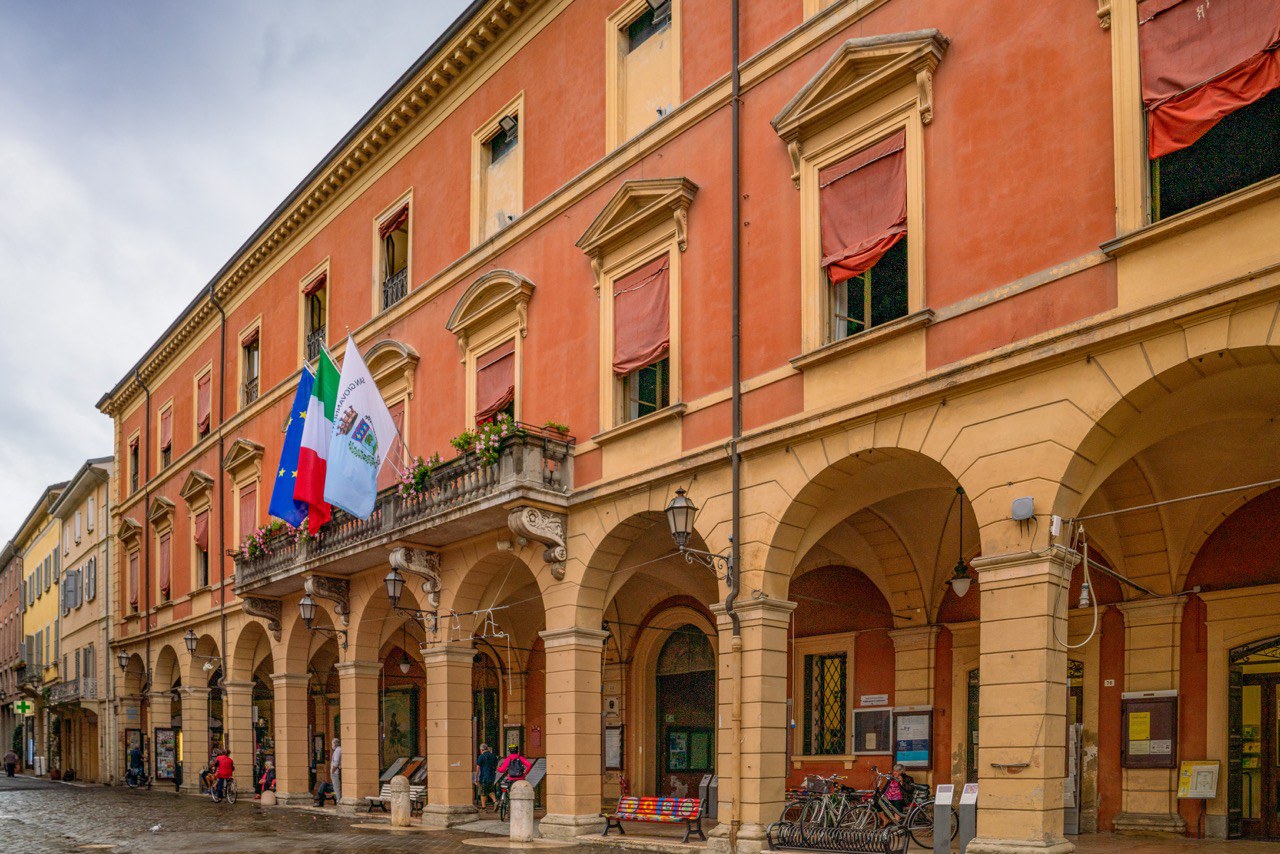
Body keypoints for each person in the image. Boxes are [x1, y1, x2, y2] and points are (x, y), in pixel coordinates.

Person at [474, 744, 499, 811]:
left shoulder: (481, 757)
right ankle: (495, 801)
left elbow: (478, 769)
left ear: (481, 750)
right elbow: (496, 767)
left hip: (484, 777)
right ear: (487, 748)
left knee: (483, 792)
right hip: (492, 776)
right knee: (490, 790)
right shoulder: (494, 756)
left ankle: (483, 807)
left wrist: (476, 778)